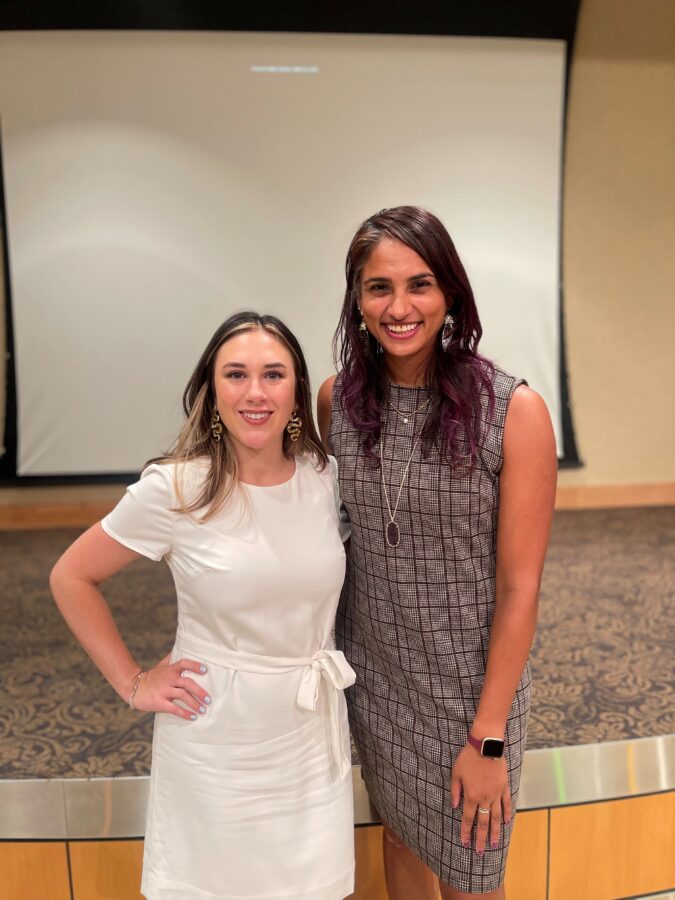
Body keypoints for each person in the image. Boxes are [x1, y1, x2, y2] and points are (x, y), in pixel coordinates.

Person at [51, 312, 356, 900]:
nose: (256, 392)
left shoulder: (325, 479)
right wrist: (133, 682)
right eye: (236, 375)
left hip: (310, 734)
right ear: (212, 392)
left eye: (274, 374)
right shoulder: (176, 488)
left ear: (297, 388)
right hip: (216, 738)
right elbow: (71, 577)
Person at [318, 207, 557, 900]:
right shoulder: (340, 400)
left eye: (419, 285)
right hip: (378, 675)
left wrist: (487, 739)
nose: (398, 307)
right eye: (377, 288)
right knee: (398, 833)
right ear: (355, 300)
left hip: (469, 690)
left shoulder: (512, 411)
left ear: (449, 293)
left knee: (470, 872)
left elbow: (520, 589)